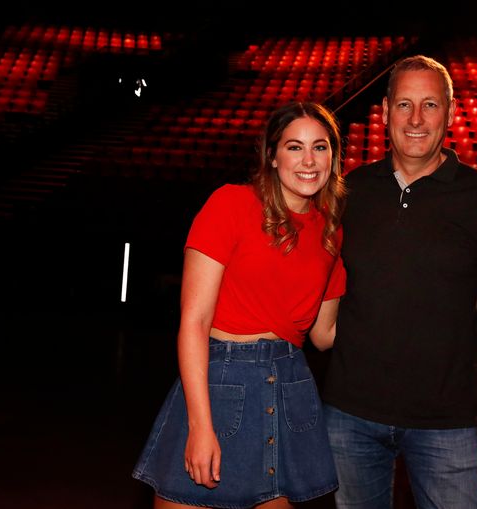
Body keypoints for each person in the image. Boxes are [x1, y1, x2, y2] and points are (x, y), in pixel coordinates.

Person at [321, 55, 477, 508]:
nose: (416, 119)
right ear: (386, 110)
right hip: (349, 418)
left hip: (447, 424)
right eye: (405, 105)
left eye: (430, 105)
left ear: (449, 114)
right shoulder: (351, 191)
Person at [132, 101, 347, 509]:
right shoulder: (231, 204)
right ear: (272, 155)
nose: (308, 160)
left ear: (333, 156)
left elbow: (324, 335)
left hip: (289, 389)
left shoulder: (331, 233)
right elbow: (194, 322)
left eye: (320, 147)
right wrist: (200, 425)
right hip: (219, 383)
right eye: (294, 147)